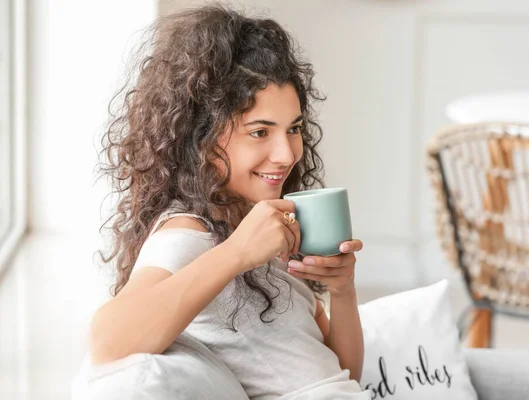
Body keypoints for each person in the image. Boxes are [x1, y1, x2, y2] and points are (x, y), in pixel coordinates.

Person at [87, 4, 369, 399]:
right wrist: (238, 251)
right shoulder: (189, 232)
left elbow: (340, 372)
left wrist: (343, 291)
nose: (287, 154)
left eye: (294, 129)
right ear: (201, 136)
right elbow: (107, 341)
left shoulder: (260, 224)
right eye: (259, 132)